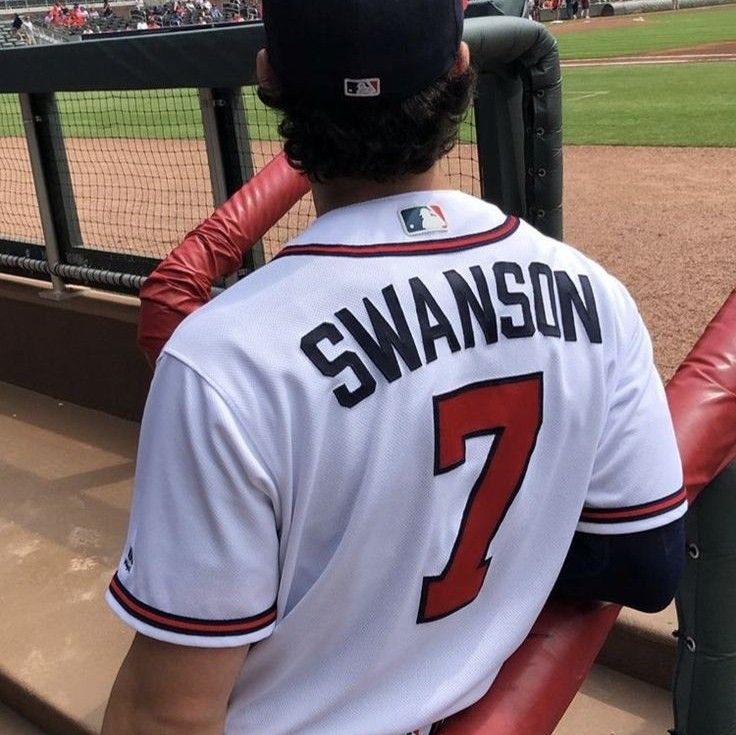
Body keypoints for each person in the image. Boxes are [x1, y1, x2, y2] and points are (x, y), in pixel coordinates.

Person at [102, 1, 686, 733]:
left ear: (268, 76)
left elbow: (165, 715)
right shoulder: (595, 295)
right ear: (461, 72)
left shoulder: (222, 359)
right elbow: (648, 566)